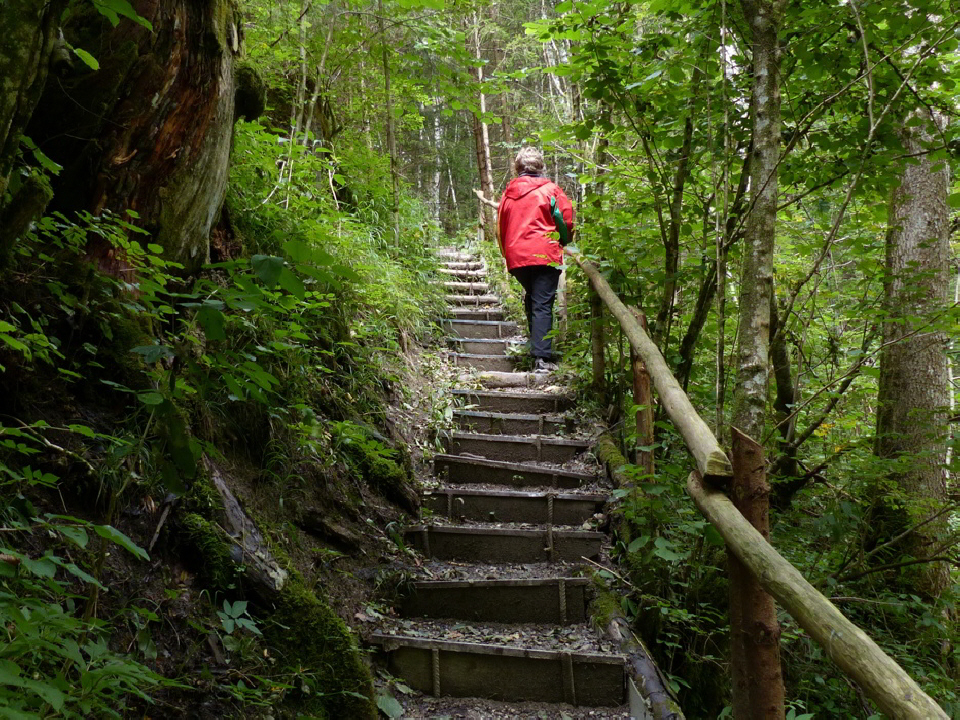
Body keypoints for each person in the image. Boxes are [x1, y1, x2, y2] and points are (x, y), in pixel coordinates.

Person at [497, 147, 575, 373]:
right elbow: (565, 220)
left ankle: (536, 348)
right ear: (541, 167)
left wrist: (507, 253)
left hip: (516, 256)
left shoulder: (508, 193)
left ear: (518, 168)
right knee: (542, 302)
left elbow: (501, 226)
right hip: (544, 253)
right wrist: (564, 240)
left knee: (534, 297)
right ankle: (541, 358)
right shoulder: (551, 190)